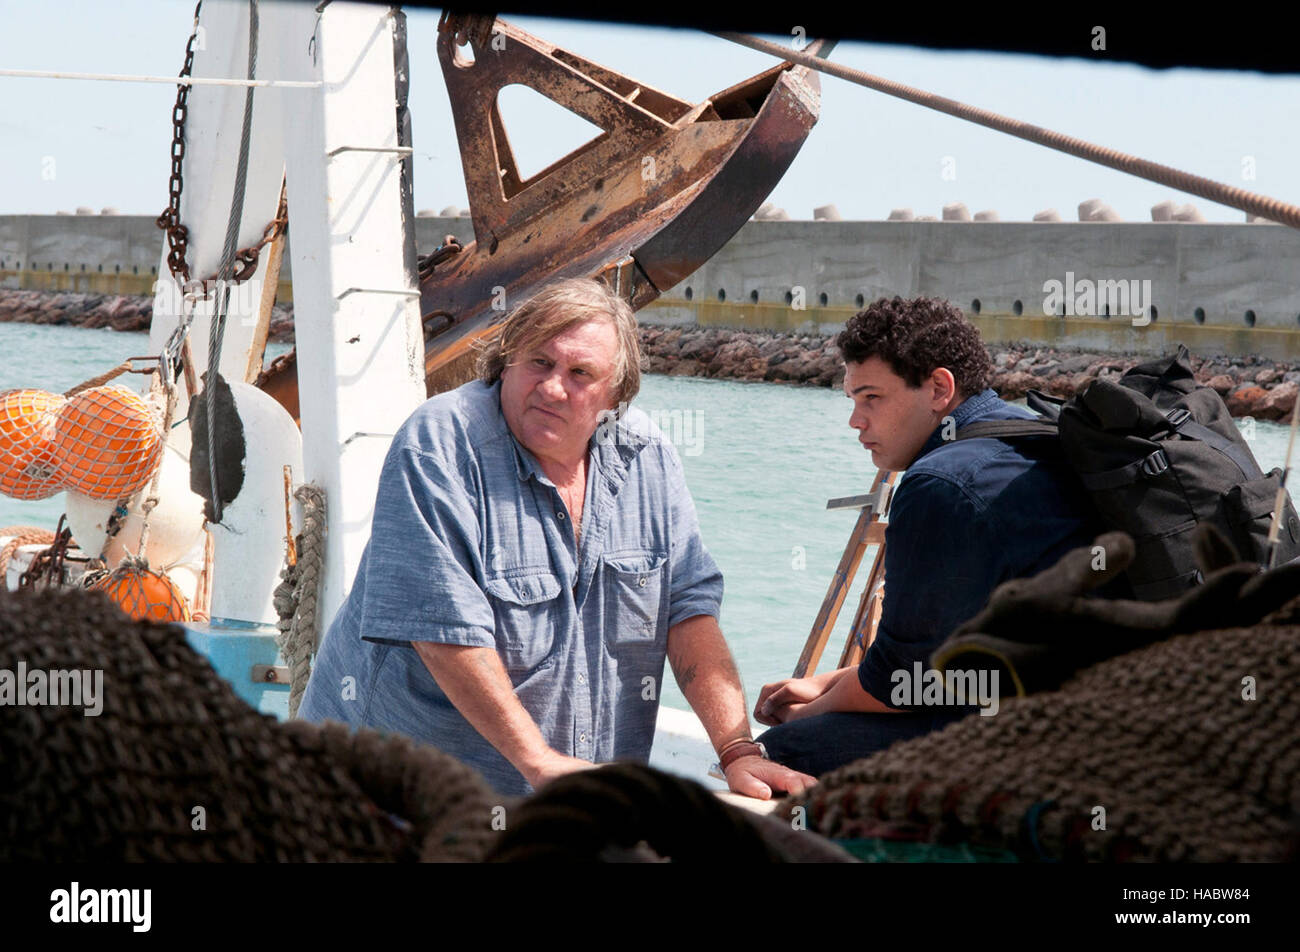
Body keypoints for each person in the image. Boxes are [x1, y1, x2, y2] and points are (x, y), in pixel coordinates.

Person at [299, 277, 815, 799]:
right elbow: (445, 632)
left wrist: (737, 750)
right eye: (539, 363)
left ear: (615, 394)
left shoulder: (648, 457)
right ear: (507, 360)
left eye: (580, 373)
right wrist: (540, 762)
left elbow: (687, 609)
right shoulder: (440, 445)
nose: (552, 387)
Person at [754, 296, 1105, 776]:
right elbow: (935, 664)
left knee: (784, 750)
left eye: (872, 398)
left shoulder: (942, 484)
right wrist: (829, 683)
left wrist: (804, 712)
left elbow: (900, 682)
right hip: (1102, 715)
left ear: (939, 387)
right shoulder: (1034, 436)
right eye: (853, 400)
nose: (856, 421)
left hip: (1048, 746)